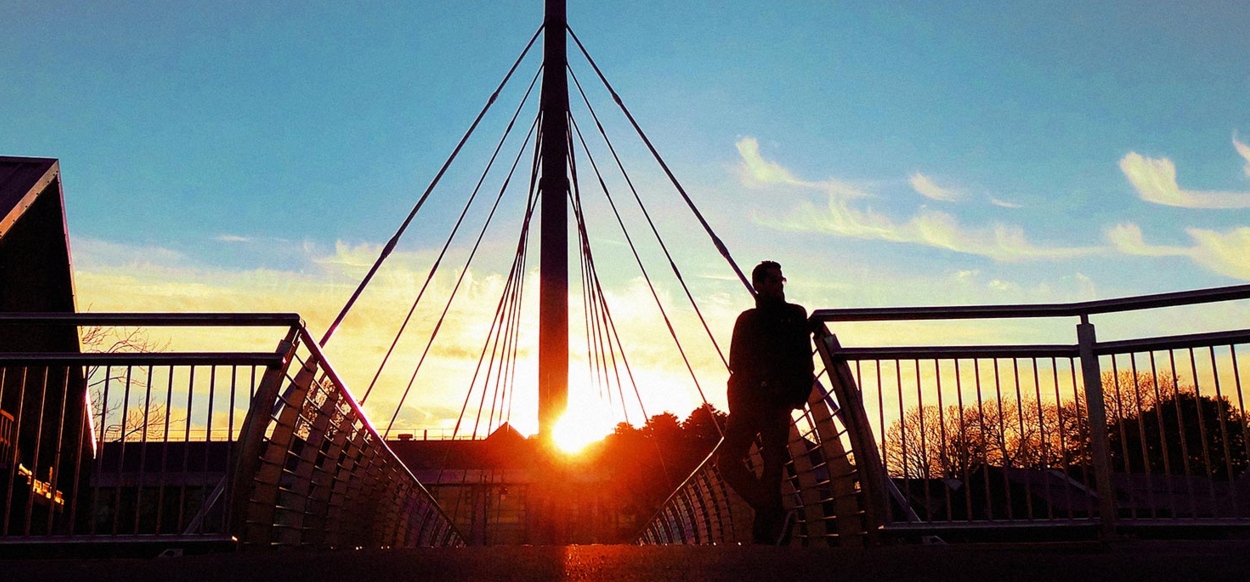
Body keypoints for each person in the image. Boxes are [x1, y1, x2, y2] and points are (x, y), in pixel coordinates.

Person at [716, 260, 815, 544]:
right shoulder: (747, 320)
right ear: (758, 285)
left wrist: (797, 395)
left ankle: (765, 538)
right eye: (772, 280)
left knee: (772, 467)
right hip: (748, 403)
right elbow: (737, 363)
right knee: (728, 462)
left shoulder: (796, 315)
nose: (778, 284)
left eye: (780, 280)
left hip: (777, 402)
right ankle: (773, 515)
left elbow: (803, 360)